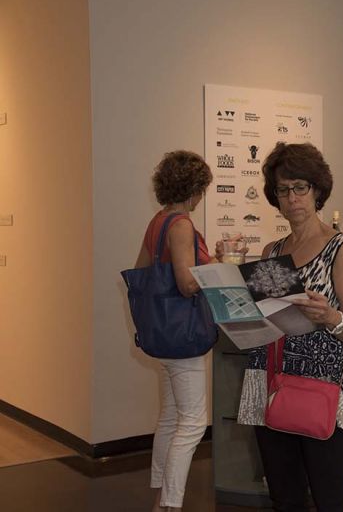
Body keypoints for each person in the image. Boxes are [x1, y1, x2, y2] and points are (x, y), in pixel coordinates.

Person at [236, 142, 343, 511]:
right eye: (283, 189)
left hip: (320, 388)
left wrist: (329, 317)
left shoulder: (340, 250)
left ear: (317, 190)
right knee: (285, 496)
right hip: (272, 381)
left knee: (332, 499)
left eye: (300, 187)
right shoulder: (272, 251)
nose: (292, 198)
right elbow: (267, 320)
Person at [133, 150, 214, 512]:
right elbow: (186, 284)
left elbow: (139, 273)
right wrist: (216, 271)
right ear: (194, 188)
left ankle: (159, 498)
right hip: (184, 339)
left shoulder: (158, 221)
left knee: (169, 418)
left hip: (161, 337)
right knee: (194, 422)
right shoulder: (181, 224)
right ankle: (170, 504)